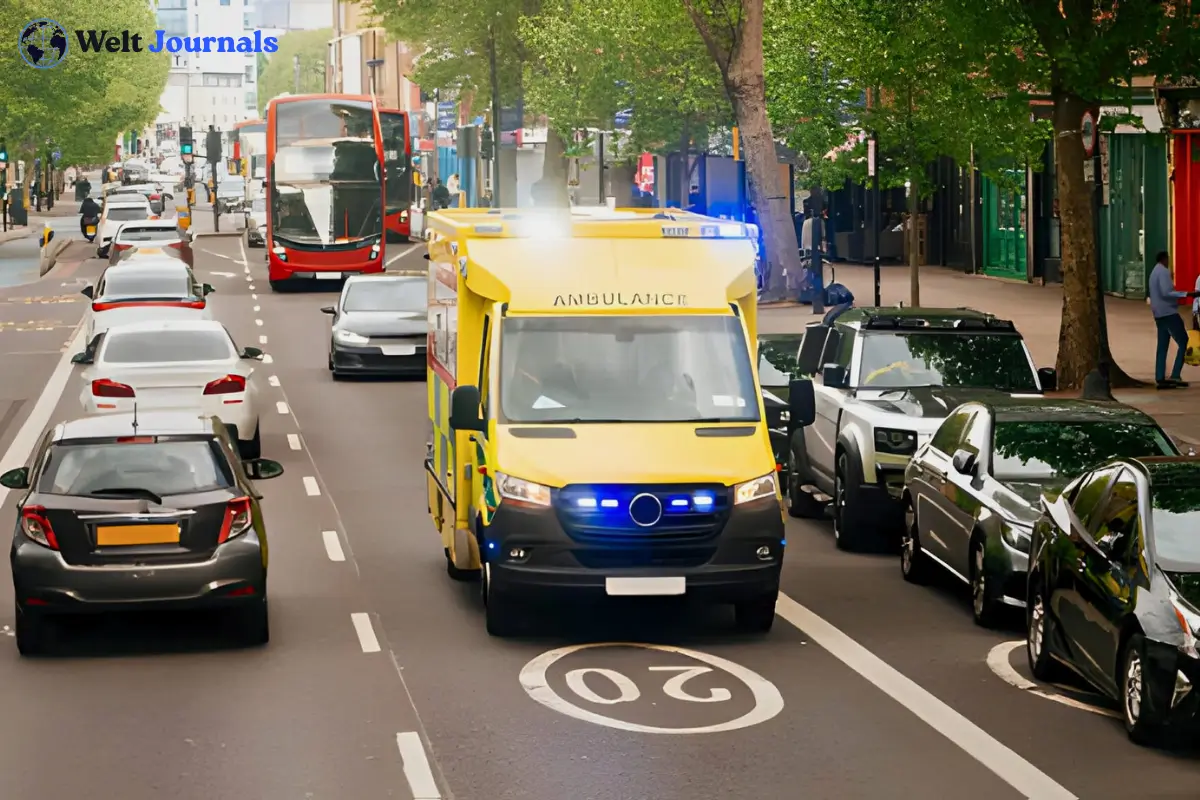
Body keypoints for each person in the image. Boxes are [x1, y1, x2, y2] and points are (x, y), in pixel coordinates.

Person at [1149, 250, 1199, 389]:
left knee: (1162, 345)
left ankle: (1160, 376)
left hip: (1158, 313)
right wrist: (1188, 294)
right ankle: (1175, 374)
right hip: (1169, 312)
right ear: (1165, 259)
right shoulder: (1163, 272)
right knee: (1183, 341)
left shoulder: (1153, 272)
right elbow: (1167, 292)